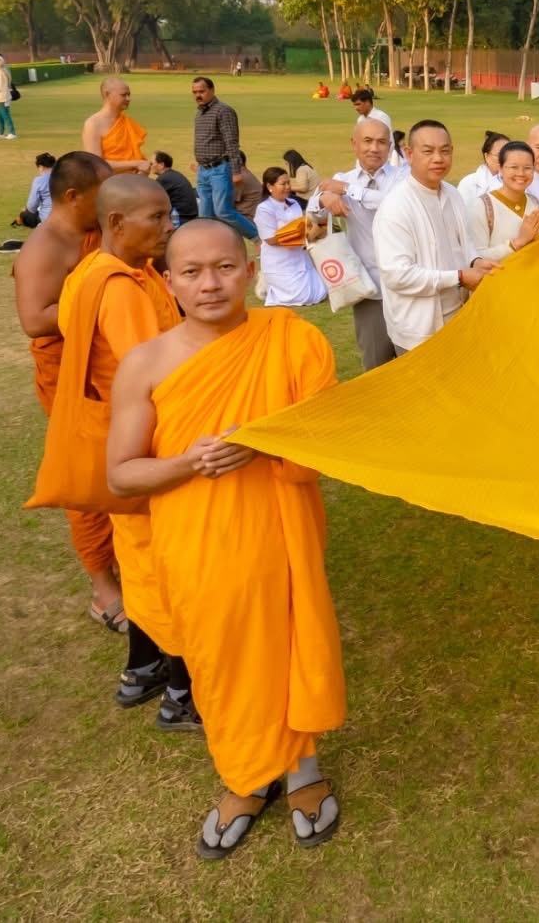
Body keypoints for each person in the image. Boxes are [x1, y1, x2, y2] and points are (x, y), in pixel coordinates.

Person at [106, 222, 346, 858]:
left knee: (287, 644)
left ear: (251, 270)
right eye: (191, 272)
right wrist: (193, 461)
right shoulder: (146, 363)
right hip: (198, 543)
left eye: (224, 268)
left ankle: (302, 769)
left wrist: (266, 438)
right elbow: (122, 474)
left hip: (280, 530)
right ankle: (245, 777)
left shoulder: (294, 341)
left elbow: (329, 444)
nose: (209, 284)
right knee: (223, 658)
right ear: (168, 280)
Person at [36, 174, 193, 725]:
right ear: (117, 222)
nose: (167, 228)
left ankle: (140, 668)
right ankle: (181, 691)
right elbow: (153, 373)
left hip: (111, 440)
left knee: (137, 554)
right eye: (157, 218)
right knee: (162, 565)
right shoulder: (121, 288)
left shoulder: (91, 273)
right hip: (144, 442)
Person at [11, 150, 124, 631]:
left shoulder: (96, 231)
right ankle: (103, 590)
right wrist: (94, 296)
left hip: (113, 363)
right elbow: (34, 320)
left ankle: (134, 562)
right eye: (102, 197)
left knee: (125, 460)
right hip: (68, 373)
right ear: (72, 196)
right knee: (87, 478)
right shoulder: (44, 246)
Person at [372, 120, 497, 354]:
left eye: (445, 151)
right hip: (417, 330)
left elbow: (465, 244)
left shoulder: (452, 194)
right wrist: (459, 277)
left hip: (457, 317)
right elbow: (397, 275)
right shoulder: (396, 206)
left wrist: (476, 262)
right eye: (428, 151)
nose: (438, 158)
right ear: (409, 154)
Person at [308, 117, 405, 372]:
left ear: (390, 146)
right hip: (369, 286)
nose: (375, 148)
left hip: (407, 286)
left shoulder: (403, 177)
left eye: (382, 142)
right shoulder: (341, 179)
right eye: (368, 141)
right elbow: (312, 214)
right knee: (375, 364)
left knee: (412, 364)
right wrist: (324, 198)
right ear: (354, 144)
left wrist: (348, 189)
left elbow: (391, 204)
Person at [191, 77, 258, 240]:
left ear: (212, 91)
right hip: (204, 170)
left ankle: (257, 237)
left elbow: (231, 142)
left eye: (202, 91)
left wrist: (236, 172)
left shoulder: (223, 111)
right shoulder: (200, 113)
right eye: (194, 92)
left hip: (220, 168)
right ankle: (211, 245)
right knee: (205, 215)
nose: (198, 95)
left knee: (223, 211)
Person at [256, 168, 328, 307]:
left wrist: (315, 231)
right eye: (283, 184)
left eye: (288, 183)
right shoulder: (264, 209)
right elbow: (270, 240)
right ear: (270, 186)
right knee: (301, 297)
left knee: (319, 293)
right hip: (279, 261)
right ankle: (266, 282)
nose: (288, 187)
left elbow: (303, 225)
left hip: (299, 257)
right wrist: (300, 237)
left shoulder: (294, 203)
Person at [467, 141, 539, 261]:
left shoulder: (537, 205)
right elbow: (475, 258)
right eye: (514, 167)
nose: (521, 173)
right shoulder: (483, 206)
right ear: (500, 169)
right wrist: (516, 243)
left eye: (527, 168)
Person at [83, 77, 152, 174]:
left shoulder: (126, 122)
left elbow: (137, 157)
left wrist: (142, 169)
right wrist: (136, 163)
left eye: (129, 94)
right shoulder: (93, 124)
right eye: (123, 95)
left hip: (133, 182)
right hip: (108, 184)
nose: (128, 99)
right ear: (107, 94)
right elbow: (96, 164)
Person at [457, 131, 507, 203]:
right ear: (486, 156)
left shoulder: (518, 181)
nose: (505, 159)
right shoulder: (469, 183)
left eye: (508, 155)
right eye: (499, 155)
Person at [153, 152, 201, 223]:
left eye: (152, 163)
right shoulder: (174, 174)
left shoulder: (164, 178)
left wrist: (143, 175)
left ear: (161, 165)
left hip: (182, 218)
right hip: (191, 214)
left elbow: (150, 199)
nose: (150, 166)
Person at [17, 152, 58, 229]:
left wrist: (25, 210)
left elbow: (32, 207)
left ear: (41, 167)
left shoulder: (39, 180)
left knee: (24, 214)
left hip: (49, 218)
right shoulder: (65, 176)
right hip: (68, 217)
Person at [231, 151, 264, 223]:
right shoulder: (245, 173)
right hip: (251, 215)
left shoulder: (240, 178)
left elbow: (227, 204)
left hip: (246, 219)